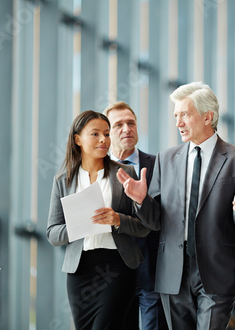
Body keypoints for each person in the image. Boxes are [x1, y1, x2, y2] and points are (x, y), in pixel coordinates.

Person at [117, 81, 235, 329]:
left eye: (184, 114)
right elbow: (155, 220)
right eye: (176, 115)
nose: (178, 122)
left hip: (218, 270)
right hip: (173, 271)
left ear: (208, 117)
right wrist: (141, 201)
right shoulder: (166, 158)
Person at [46, 110, 150, 329]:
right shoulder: (63, 181)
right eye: (95, 134)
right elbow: (53, 233)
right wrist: (78, 224)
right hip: (80, 272)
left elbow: (145, 227)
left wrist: (117, 219)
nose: (104, 139)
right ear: (78, 140)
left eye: (106, 133)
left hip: (117, 267)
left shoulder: (125, 173)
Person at [103, 102, 167, 330]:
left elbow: (165, 216)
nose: (126, 128)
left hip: (153, 272)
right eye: (118, 124)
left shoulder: (159, 165)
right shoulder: (96, 170)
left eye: (131, 123)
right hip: (112, 276)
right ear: (107, 133)